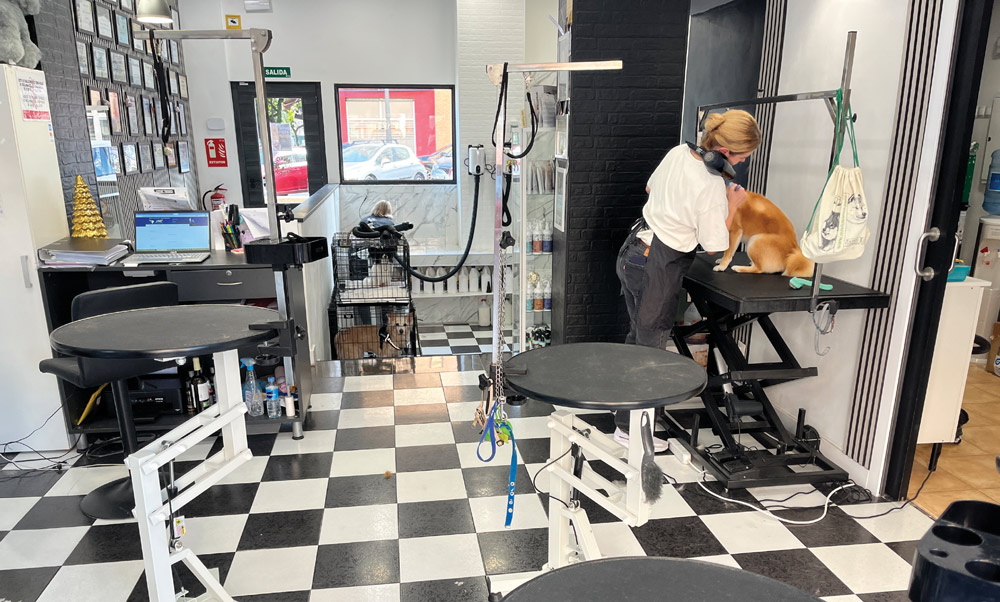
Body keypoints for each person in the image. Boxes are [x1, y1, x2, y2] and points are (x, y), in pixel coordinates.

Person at [613, 110, 762, 446]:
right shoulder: (711, 186)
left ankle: (624, 417)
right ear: (724, 152)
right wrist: (732, 202)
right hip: (656, 267)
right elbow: (714, 245)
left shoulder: (679, 152)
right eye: (743, 156)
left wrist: (677, 207)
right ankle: (633, 433)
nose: (744, 162)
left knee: (637, 339)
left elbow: (650, 186)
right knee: (651, 352)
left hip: (633, 252)